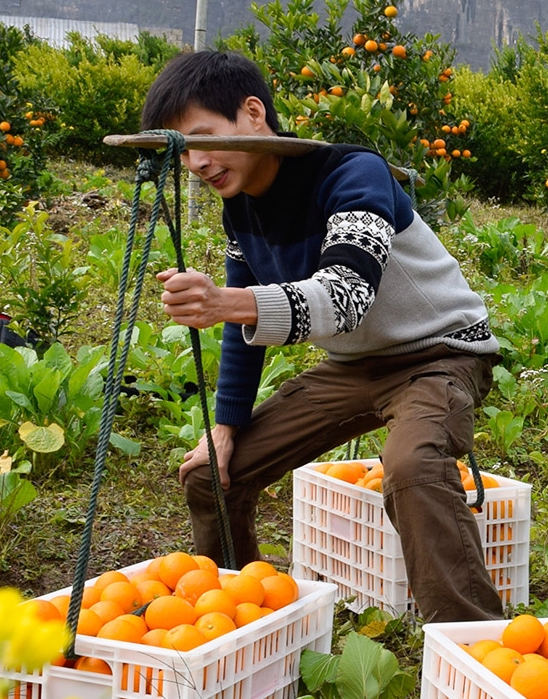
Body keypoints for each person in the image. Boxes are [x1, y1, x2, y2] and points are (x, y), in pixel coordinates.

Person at [142, 49, 503, 622]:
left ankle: (471, 642)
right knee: (213, 476)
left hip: (440, 354)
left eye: (205, 138)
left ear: (253, 113)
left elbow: (347, 296)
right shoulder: (241, 204)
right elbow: (243, 329)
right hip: (354, 368)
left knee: (412, 466)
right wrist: (226, 425)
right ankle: (233, 618)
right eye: (185, 150)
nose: (198, 162)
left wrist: (223, 302)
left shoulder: (351, 173)